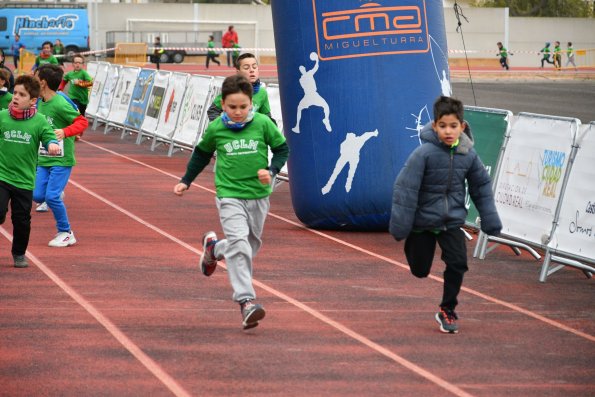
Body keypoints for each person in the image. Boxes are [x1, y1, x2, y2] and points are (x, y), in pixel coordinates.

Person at [173, 75, 289, 330]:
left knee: (249, 246)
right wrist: (186, 180)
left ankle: (214, 250)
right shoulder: (217, 128)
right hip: (229, 194)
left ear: (251, 105)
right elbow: (201, 154)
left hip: (258, 195)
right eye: (232, 107)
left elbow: (282, 149)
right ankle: (246, 301)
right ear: (223, 104)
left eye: (243, 107)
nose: (238, 112)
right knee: (240, 244)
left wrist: (271, 170)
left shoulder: (262, 123)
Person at [389, 96, 502, 334]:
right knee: (420, 270)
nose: (448, 131)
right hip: (422, 223)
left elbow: (481, 186)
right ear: (434, 126)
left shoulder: (468, 155)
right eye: (443, 126)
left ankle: (447, 309)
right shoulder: (424, 154)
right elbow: (405, 188)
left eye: (453, 126)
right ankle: (413, 246)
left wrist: (490, 219)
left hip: (451, 221)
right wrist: (401, 224)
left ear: (462, 126)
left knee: (458, 262)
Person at [0, 75, 60, 268]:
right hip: (2, 175)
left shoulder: (39, 121)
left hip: (24, 180)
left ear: (33, 100)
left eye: (21, 94)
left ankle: (18, 253)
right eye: (14, 93)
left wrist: (52, 144)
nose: (15, 97)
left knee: (22, 221)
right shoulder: (2, 116)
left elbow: (49, 136)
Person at [33, 64, 88, 247]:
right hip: (43, 158)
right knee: (38, 195)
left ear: (43, 83)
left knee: (51, 197)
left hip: (62, 159)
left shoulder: (60, 103)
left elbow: (82, 122)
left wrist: (65, 132)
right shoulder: (40, 102)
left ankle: (65, 232)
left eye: (35, 77)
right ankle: (56, 192)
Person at [207, 53, 274, 123]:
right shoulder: (232, 90)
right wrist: (224, 128)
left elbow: (267, 118)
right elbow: (212, 111)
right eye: (246, 68)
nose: (251, 70)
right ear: (238, 72)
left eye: (254, 67)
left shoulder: (262, 92)